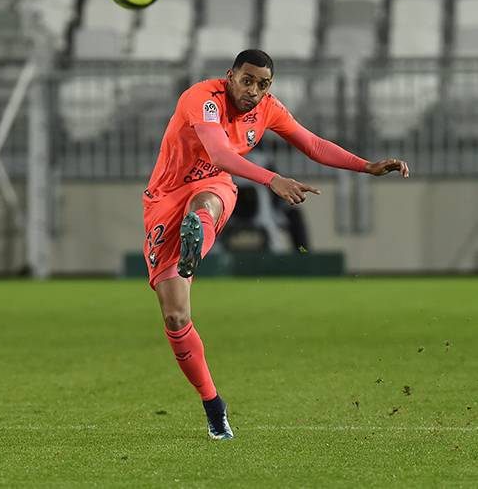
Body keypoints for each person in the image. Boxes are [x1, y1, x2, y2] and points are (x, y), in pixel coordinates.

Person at [142, 50, 409, 439]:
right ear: (230, 75)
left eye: (263, 84)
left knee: (209, 200)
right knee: (176, 318)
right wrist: (273, 179)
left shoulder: (268, 109)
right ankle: (214, 403)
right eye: (247, 80)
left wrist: (365, 165)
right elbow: (218, 152)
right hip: (164, 199)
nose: (253, 91)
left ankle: (194, 236)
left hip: (212, 188)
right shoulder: (202, 98)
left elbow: (313, 144)